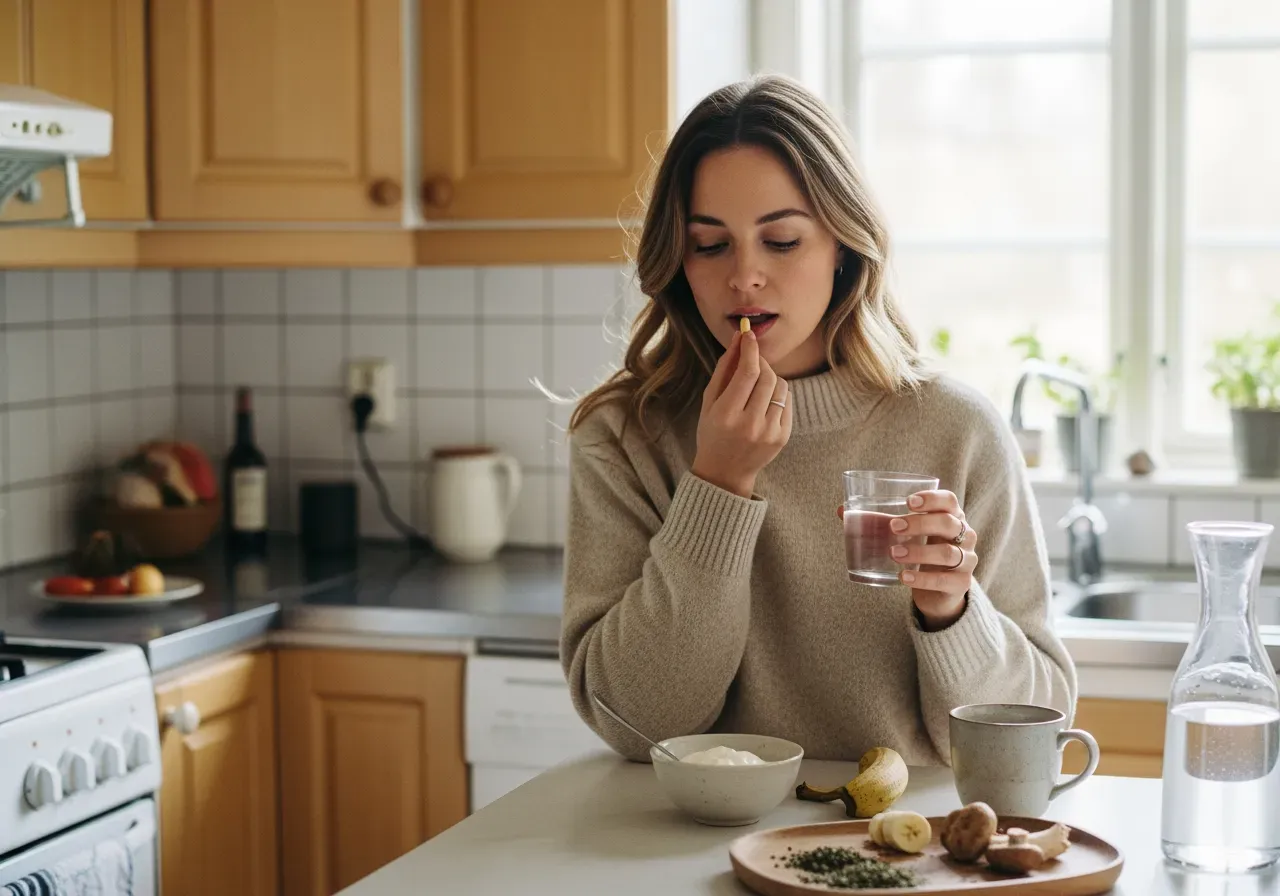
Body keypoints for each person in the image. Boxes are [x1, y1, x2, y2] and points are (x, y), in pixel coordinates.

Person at [559, 75, 1076, 765]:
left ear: (843, 247)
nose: (744, 276)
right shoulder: (625, 436)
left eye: (781, 241)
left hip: (905, 830)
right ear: (678, 262)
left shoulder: (958, 430)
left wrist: (952, 611)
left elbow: (1034, 732)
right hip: (699, 830)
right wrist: (717, 483)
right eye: (710, 245)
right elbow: (635, 722)